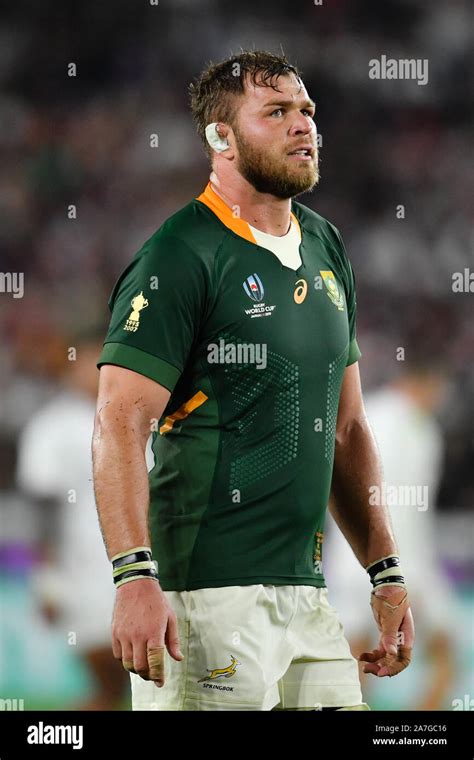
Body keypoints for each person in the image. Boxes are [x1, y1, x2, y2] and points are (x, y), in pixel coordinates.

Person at [92, 49, 414, 712]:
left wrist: (385, 572)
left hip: (309, 595)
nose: (304, 126)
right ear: (220, 138)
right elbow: (120, 422)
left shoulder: (326, 245)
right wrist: (133, 579)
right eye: (277, 112)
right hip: (206, 601)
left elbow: (347, 427)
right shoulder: (180, 253)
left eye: (306, 111)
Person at [324, 366, 457, 710]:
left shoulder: (364, 413)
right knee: (445, 653)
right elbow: (413, 509)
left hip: (352, 560)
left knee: (357, 656)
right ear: (426, 383)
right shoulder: (422, 428)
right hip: (406, 562)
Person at [17, 330, 129, 710]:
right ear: (73, 362)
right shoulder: (53, 426)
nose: (99, 370)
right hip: (84, 572)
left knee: (130, 689)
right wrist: (47, 580)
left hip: (147, 567)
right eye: (91, 360)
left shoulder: (139, 417)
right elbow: (40, 512)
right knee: (111, 677)